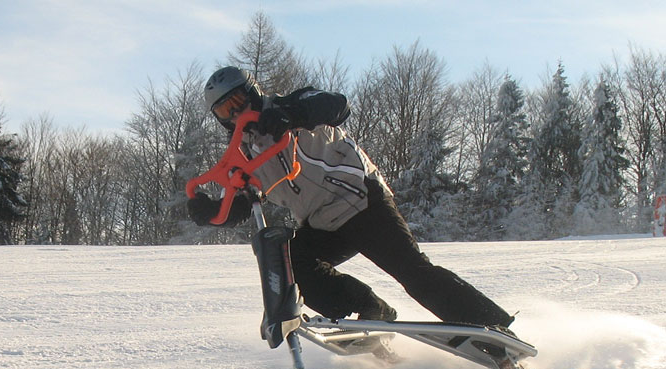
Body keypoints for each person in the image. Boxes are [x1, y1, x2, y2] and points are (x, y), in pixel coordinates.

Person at [188, 66, 515, 329]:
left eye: (239, 102)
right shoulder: (243, 155)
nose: (236, 114)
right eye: (226, 111)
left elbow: (336, 104)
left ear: (254, 91)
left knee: (412, 272)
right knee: (290, 262)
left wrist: (293, 113)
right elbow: (242, 203)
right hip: (322, 223)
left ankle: (494, 328)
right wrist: (211, 211)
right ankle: (370, 310)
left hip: (362, 203)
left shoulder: (295, 104)